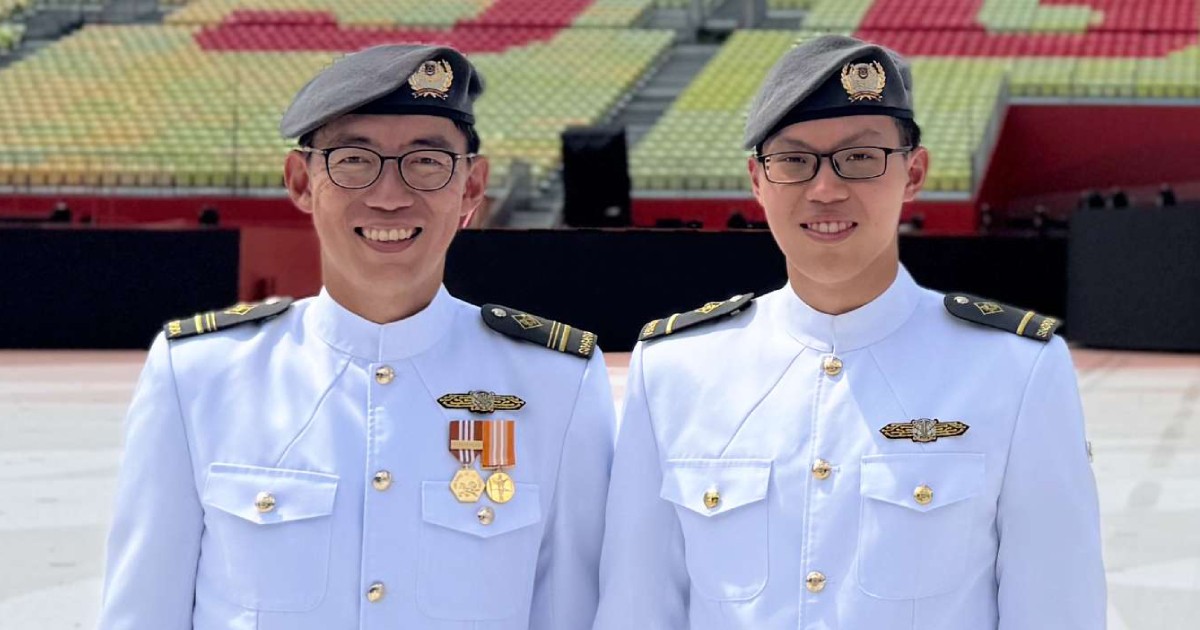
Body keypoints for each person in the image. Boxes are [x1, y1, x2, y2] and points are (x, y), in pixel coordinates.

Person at [594, 35, 1105, 630]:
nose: (826, 189)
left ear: (913, 173)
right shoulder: (675, 370)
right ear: (758, 181)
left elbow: (1056, 607)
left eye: (860, 158)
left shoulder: (1014, 371)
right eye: (794, 160)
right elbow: (637, 605)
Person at [98, 44, 616, 630]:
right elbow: (143, 611)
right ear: (301, 181)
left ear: (471, 188)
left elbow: (574, 610)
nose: (390, 195)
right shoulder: (200, 375)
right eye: (353, 159)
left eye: (426, 162)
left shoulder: (557, 383)